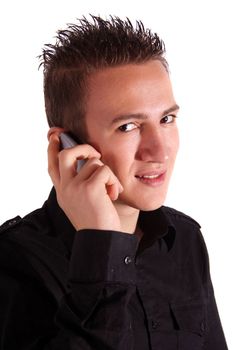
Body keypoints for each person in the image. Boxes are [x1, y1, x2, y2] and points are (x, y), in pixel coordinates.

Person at [0, 15, 228, 350]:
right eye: (129, 126)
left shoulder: (184, 240)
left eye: (166, 119)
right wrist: (101, 245)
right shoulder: (13, 261)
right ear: (69, 146)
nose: (160, 149)